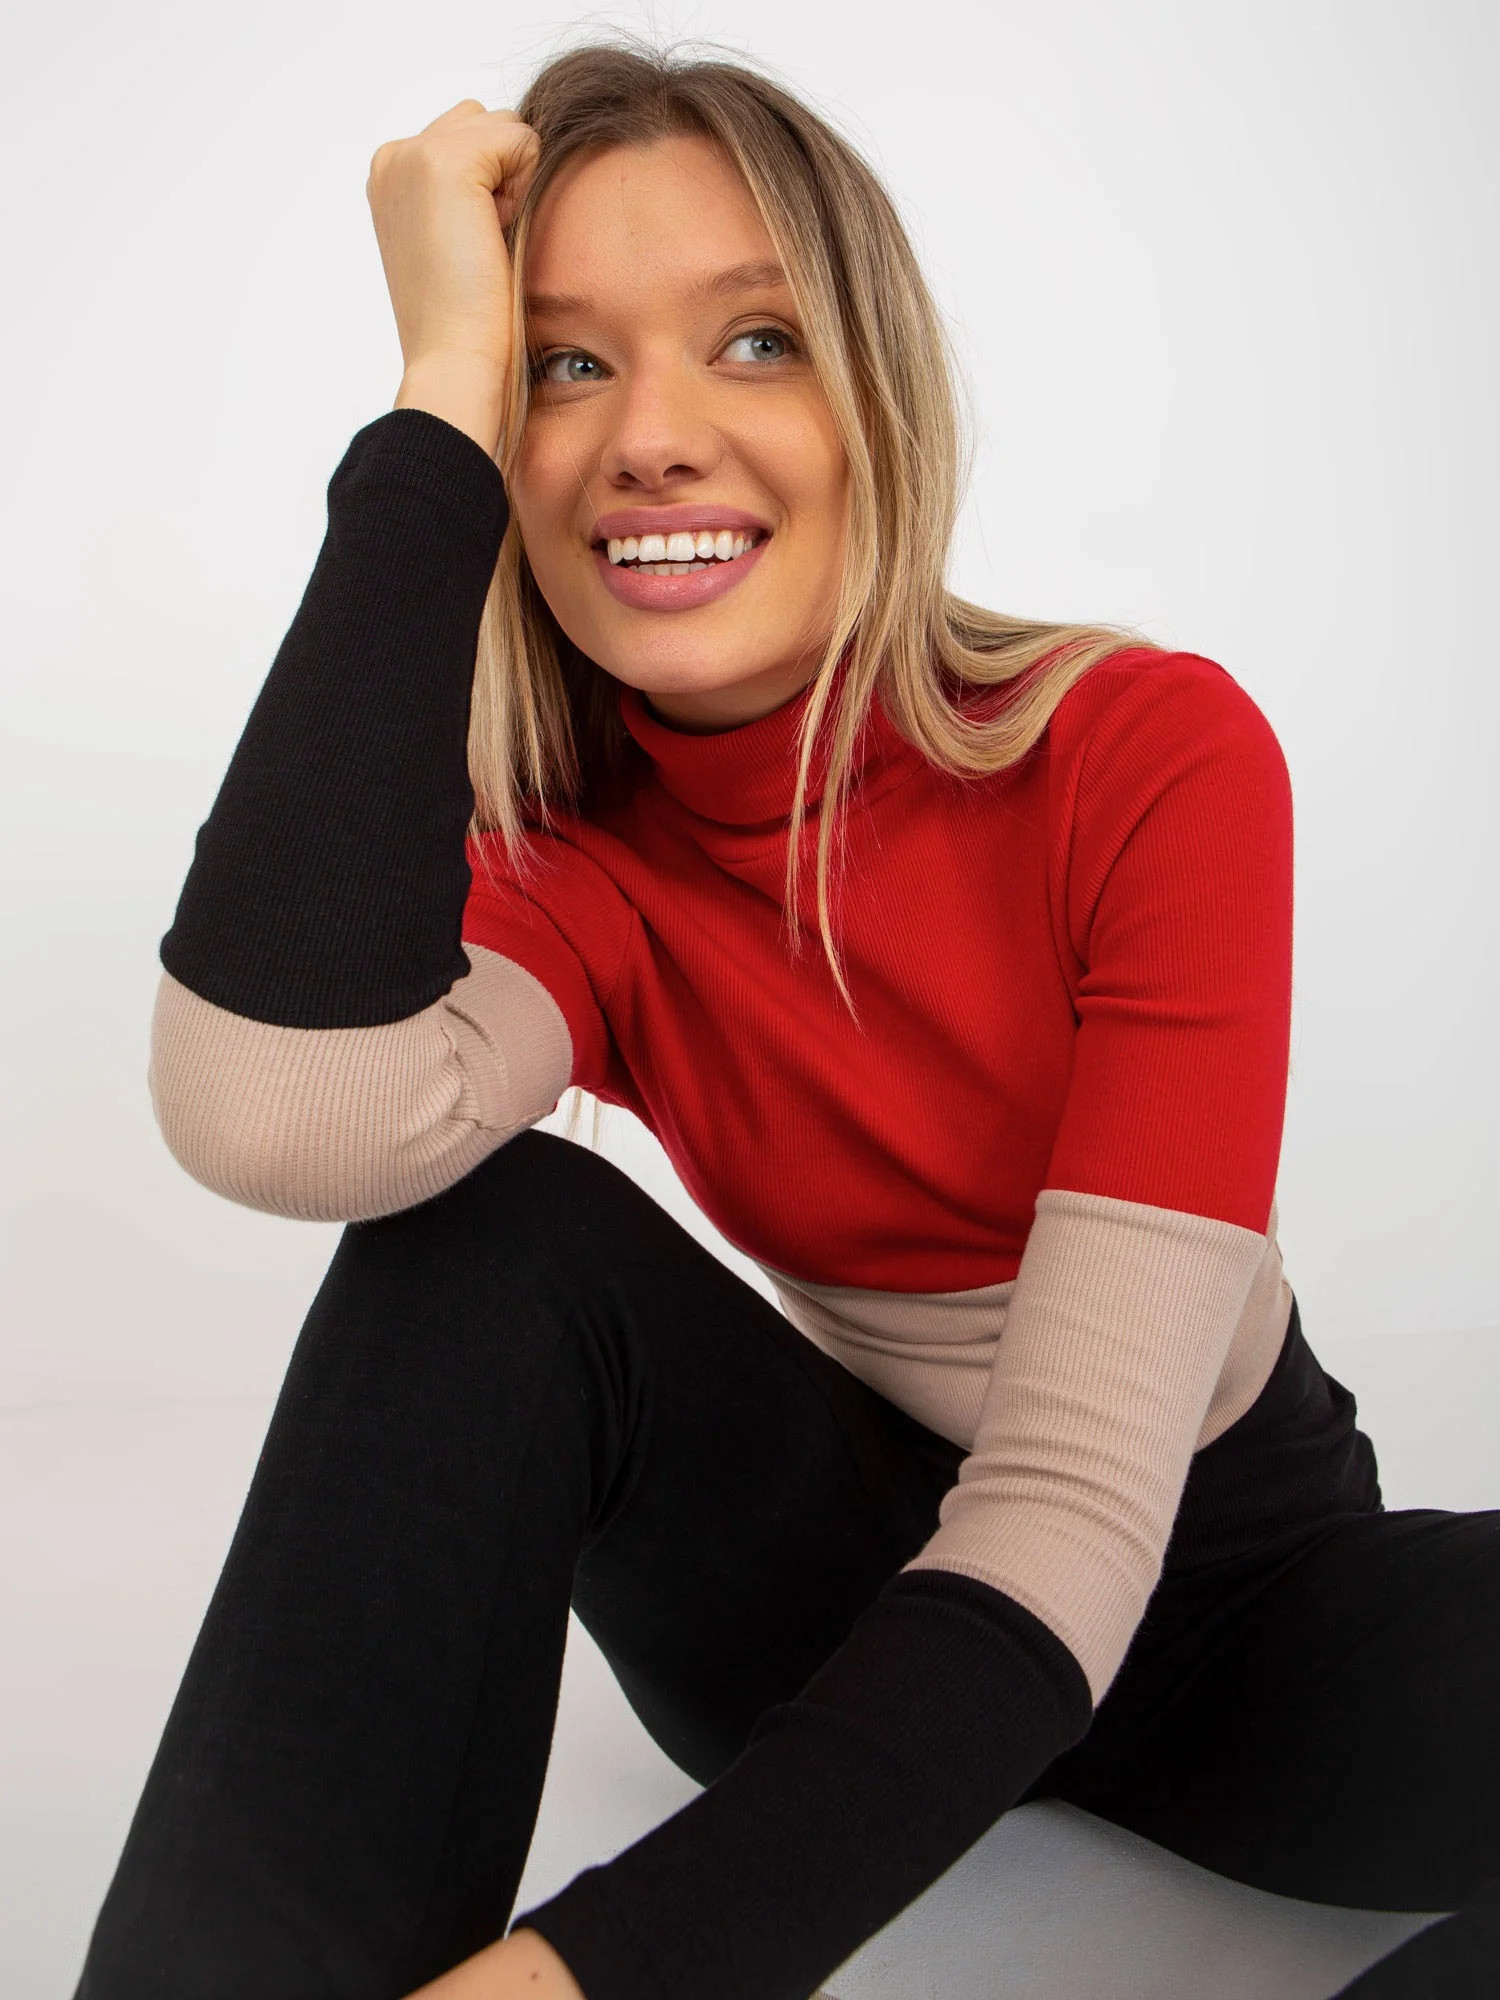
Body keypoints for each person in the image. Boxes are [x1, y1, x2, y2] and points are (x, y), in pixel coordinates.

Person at [72, 38, 1498, 2000]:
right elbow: (264, 1113)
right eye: (564, 366)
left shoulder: (1142, 755)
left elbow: (1078, 1513)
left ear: (875, 401)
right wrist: (437, 403)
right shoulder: (574, 869)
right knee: (482, 1238)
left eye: (753, 341)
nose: (651, 438)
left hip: (1239, 1600)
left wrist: (583, 1979)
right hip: (835, 1603)